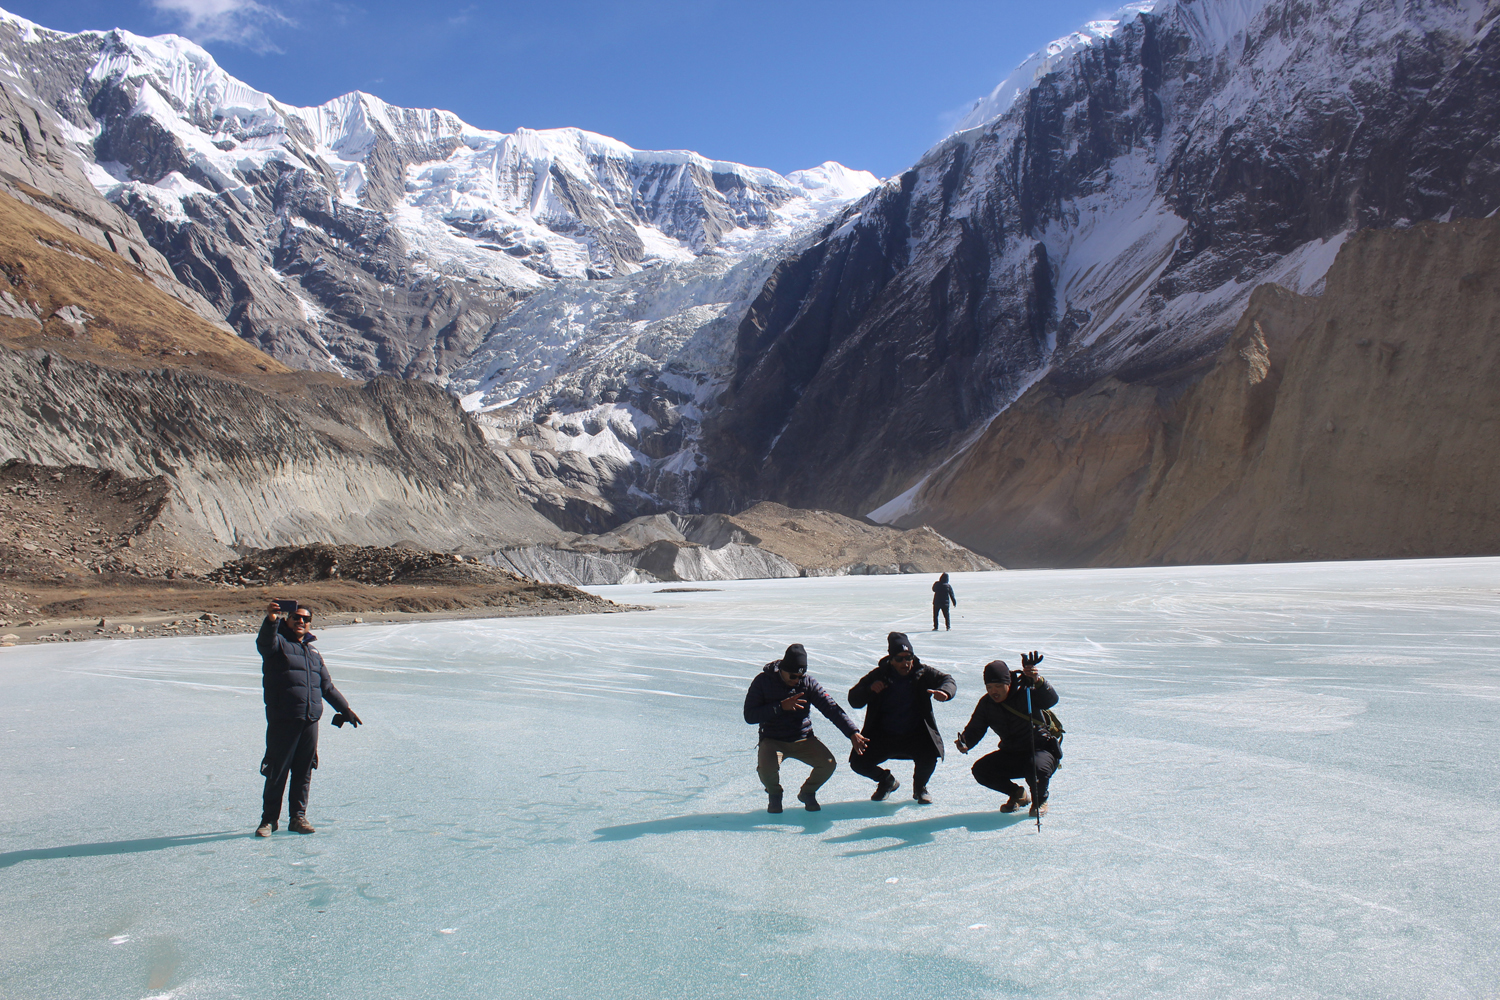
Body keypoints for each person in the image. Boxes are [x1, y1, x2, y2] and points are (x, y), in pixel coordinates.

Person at [255, 601, 361, 837]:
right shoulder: (278, 644)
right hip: (284, 720)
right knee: (277, 772)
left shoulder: (313, 652)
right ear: (287, 620)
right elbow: (264, 643)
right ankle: (268, 820)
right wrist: (271, 620)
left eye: (306, 618)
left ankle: (298, 818)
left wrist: (345, 709)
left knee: (304, 772)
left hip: (310, 720)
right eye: (296, 617)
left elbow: (326, 686)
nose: (301, 621)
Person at [743, 643, 868, 813]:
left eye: (800, 676)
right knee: (766, 771)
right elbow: (749, 715)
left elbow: (831, 708)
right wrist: (779, 707)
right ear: (782, 669)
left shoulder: (808, 683)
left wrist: (852, 732)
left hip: (803, 738)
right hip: (773, 739)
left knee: (828, 764)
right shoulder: (763, 681)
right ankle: (774, 794)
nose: (796, 680)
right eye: (793, 676)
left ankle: (807, 792)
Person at [847, 631, 956, 804]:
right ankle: (886, 781)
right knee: (858, 763)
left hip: (915, 735)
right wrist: (869, 690)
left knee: (930, 755)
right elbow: (853, 699)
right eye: (900, 659)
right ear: (891, 659)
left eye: (909, 658)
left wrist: (945, 692)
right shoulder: (878, 675)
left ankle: (920, 788)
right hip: (883, 736)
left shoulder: (923, 673)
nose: (905, 663)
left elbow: (947, 679)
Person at [954, 652, 1059, 817]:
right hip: (1012, 752)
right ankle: (1018, 794)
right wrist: (965, 742)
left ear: (1008, 683)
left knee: (1035, 768)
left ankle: (1040, 800)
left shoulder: (1026, 692)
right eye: (989, 687)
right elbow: (975, 728)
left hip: (1041, 750)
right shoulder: (987, 703)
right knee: (981, 770)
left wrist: (1037, 681)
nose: (993, 691)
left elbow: (1050, 700)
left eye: (997, 686)